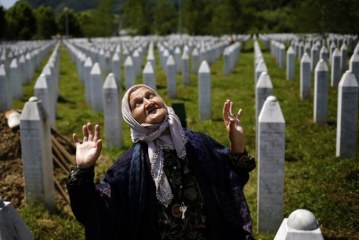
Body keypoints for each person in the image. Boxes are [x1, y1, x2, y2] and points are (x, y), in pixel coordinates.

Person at [67, 84, 256, 240]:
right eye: (138, 103)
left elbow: (230, 180)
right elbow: (96, 211)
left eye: (151, 96)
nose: (148, 102)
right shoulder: (130, 165)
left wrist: (237, 144)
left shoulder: (197, 143)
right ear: (132, 119)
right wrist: (83, 170)